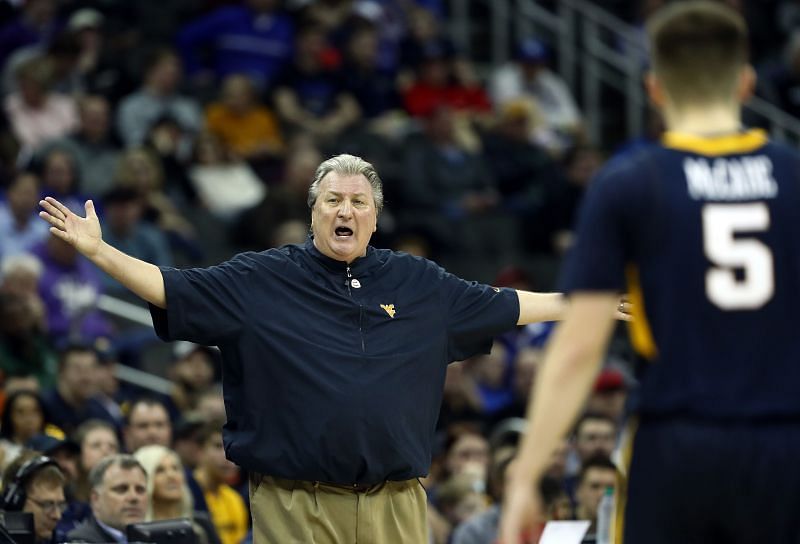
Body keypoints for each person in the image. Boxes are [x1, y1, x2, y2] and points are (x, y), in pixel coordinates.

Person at [40, 153, 626, 543]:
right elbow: (172, 286)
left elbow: (502, 302)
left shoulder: (420, 284)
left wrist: (578, 302)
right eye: (332, 201)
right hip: (297, 504)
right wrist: (100, 253)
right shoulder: (260, 278)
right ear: (313, 212)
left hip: (396, 504)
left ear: (374, 218)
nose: (345, 210)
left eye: (358, 202)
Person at [500, 3, 800, 543]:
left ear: (654, 87)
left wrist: (525, 474)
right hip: (783, 439)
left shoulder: (628, 183)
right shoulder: (793, 176)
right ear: (748, 82)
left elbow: (578, 347)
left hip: (675, 441)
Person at [66, 454, 147, 543]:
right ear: (95, 499)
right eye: (121, 489)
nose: (134, 497)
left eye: (140, 490)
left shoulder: (154, 538)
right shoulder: (79, 541)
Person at [1, 451, 68, 544]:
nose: (57, 516)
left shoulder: (58, 539)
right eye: (47, 505)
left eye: (60, 505)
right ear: (16, 502)